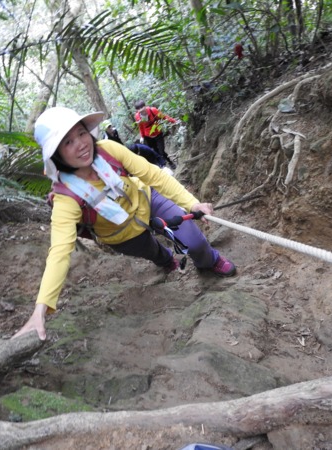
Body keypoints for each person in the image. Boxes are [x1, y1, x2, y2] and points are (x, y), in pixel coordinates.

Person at [13, 106, 236, 340]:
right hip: (120, 234)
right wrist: (41, 308)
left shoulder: (108, 150)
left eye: (81, 133)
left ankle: (208, 261)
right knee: (154, 252)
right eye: (68, 142)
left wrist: (192, 204)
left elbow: (153, 175)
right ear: (56, 154)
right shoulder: (65, 197)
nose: (80, 144)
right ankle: (166, 260)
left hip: (147, 200)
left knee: (195, 242)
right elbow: (60, 250)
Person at [134, 100, 178, 170]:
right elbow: (141, 127)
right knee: (156, 151)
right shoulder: (137, 117)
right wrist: (142, 136)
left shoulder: (153, 110)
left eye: (142, 107)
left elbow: (163, 116)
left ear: (145, 106)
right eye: (139, 109)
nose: (141, 110)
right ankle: (165, 165)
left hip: (158, 133)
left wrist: (173, 121)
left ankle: (168, 162)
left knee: (161, 151)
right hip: (148, 136)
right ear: (137, 110)